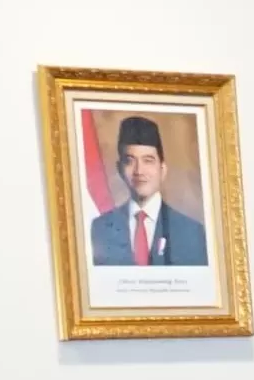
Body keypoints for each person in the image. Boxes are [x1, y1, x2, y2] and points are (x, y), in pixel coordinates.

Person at [88, 114, 213, 268]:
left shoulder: (190, 231)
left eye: (148, 160)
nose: (139, 171)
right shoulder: (100, 229)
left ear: (162, 169)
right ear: (119, 169)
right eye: (130, 161)